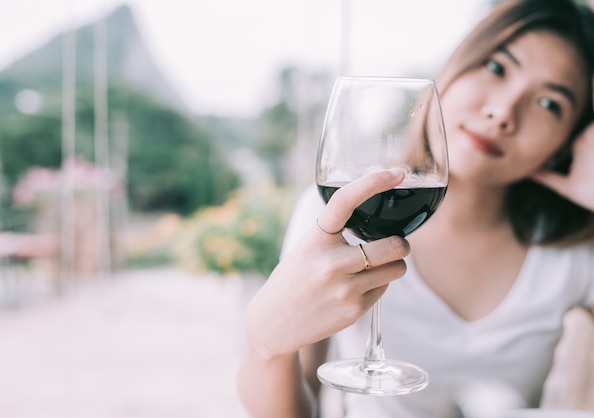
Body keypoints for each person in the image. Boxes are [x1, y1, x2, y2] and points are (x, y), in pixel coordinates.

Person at [237, 0, 594, 416]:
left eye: (550, 103)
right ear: (457, 65)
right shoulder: (336, 218)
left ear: (569, 140)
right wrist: (265, 347)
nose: (502, 113)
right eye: (497, 68)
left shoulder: (575, 249)